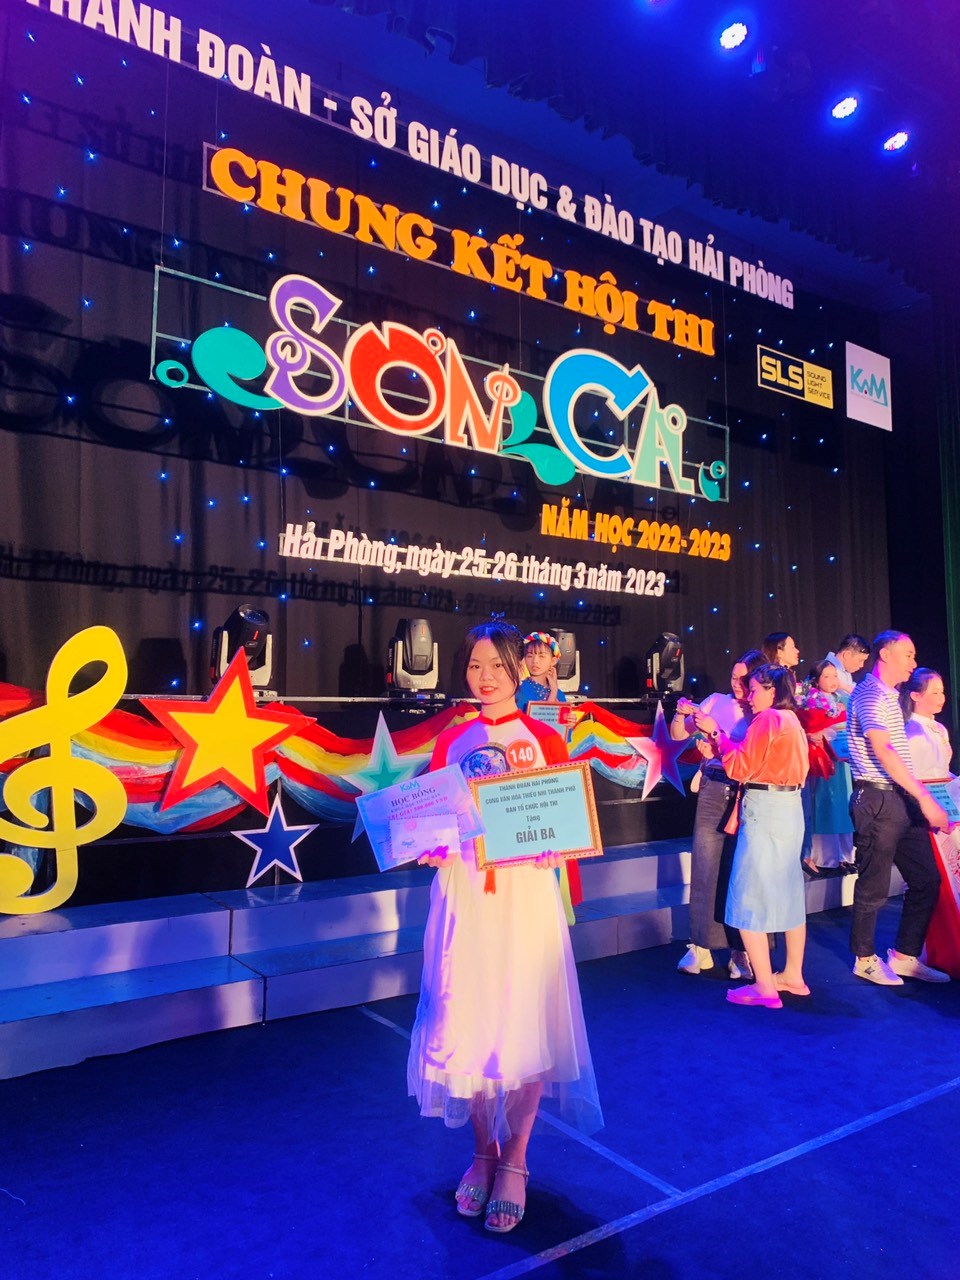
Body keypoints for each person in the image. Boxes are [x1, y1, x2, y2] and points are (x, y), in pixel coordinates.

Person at [408, 620, 602, 1234]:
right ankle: (482, 1152)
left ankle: (515, 1158)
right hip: (465, 898)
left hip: (522, 899)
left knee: (523, 1024)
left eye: (497, 665)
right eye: (475, 665)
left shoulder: (544, 738)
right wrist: (429, 844)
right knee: (468, 1023)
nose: (485, 677)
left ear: (520, 670)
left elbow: (566, 823)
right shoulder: (452, 739)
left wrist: (555, 846)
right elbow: (434, 819)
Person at [694, 665, 810, 1008]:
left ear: (772, 691)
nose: (749, 696)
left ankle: (764, 986)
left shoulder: (768, 719)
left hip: (766, 810)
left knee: (747, 896)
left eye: (756, 689)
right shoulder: (792, 721)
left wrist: (717, 734)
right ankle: (793, 975)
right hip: (790, 808)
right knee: (789, 895)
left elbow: (740, 767)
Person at [846, 632, 950, 984]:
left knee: (926, 879)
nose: (913, 663)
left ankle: (905, 956)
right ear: (886, 655)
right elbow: (883, 749)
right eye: (908, 654)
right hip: (877, 798)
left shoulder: (891, 696)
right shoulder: (870, 693)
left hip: (900, 798)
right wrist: (924, 797)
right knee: (874, 884)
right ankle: (864, 958)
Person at [670, 648, 764, 979]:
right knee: (705, 865)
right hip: (713, 786)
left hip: (747, 792)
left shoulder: (763, 711)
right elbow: (679, 734)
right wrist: (681, 713)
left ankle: (741, 950)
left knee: (739, 872)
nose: (736, 683)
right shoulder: (715, 701)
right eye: (733, 677)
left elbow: (755, 754)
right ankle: (701, 946)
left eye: (743, 678)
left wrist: (716, 738)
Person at [797, 660, 854, 873]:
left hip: (841, 760)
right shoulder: (810, 700)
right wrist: (813, 733)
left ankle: (846, 856)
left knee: (844, 803)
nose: (832, 681)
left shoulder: (843, 700)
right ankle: (827, 858)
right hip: (821, 759)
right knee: (824, 804)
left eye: (835, 676)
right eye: (826, 676)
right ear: (816, 679)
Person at [901, 668, 953, 780]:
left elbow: (942, 769)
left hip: (941, 788)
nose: (941, 698)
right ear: (916, 696)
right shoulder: (910, 730)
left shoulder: (940, 728)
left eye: (942, 692)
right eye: (935, 693)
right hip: (921, 788)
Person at [515, 631, 566, 711]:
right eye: (530, 656)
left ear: (553, 661)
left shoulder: (559, 695)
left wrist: (569, 719)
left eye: (541, 656)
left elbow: (559, 719)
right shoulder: (519, 690)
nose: (535, 661)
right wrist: (553, 692)